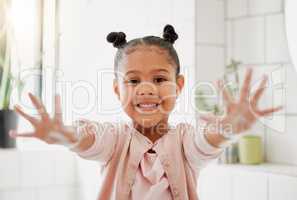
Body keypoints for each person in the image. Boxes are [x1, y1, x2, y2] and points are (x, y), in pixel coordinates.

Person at [9, 24, 282, 200]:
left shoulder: (185, 141)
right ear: (118, 90)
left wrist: (228, 128)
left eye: (160, 79)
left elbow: (205, 142)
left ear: (179, 85)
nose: (147, 89)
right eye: (134, 81)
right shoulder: (114, 139)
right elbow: (89, 138)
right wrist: (65, 135)